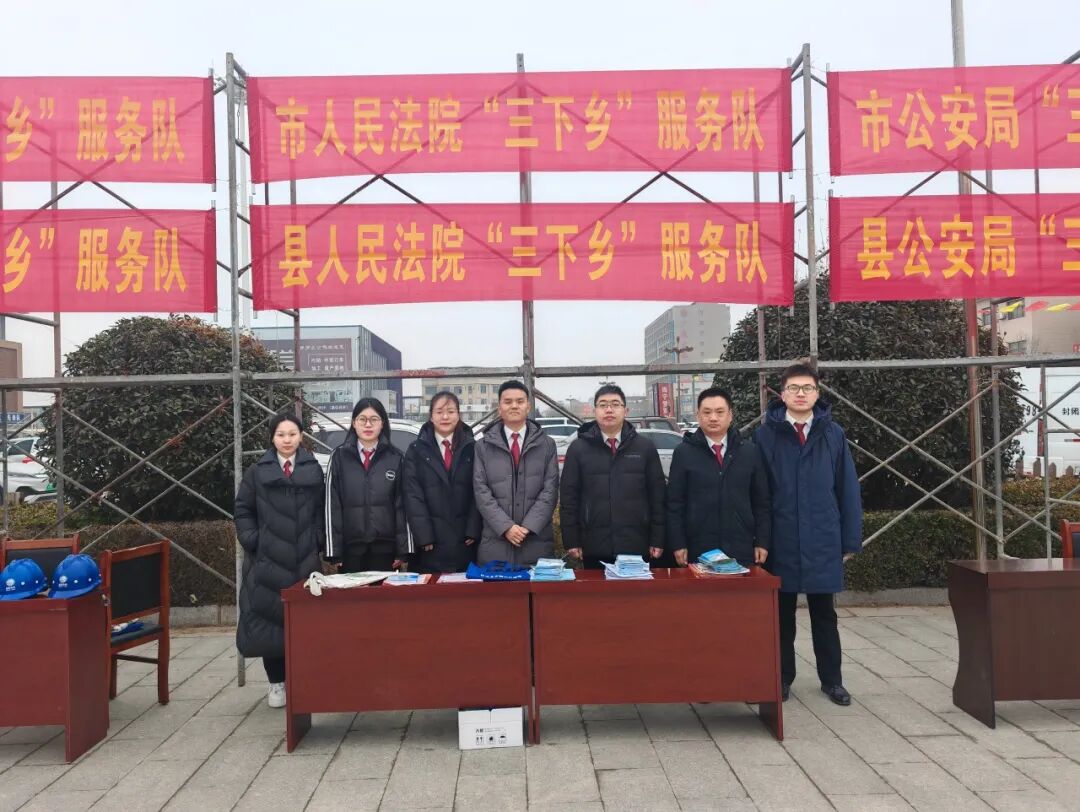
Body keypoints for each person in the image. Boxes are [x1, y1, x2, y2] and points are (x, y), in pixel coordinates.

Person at [755, 363, 863, 706]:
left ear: (817, 393)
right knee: (781, 615)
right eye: (793, 388)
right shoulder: (766, 435)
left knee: (824, 614)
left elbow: (847, 488)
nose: (800, 394)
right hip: (781, 537)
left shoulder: (833, 434)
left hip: (822, 536)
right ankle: (781, 678)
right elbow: (758, 493)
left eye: (807, 388)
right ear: (782, 393)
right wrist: (759, 540)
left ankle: (832, 681)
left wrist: (850, 538)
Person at [234, 412, 325, 709]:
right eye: (281, 435)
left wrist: (318, 540)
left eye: (292, 434)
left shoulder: (313, 469)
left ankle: (303, 681)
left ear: (301, 437)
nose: (287, 440)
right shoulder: (257, 472)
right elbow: (243, 510)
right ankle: (276, 684)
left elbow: (322, 510)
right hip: (267, 562)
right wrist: (253, 540)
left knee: (305, 625)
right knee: (269, 624)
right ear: (272, 438)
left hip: (304, 560)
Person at [559, 384, 665, 569]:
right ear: (594, 411)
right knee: (596, 589)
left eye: (615, 404)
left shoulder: (645, 447)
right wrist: (572, 540)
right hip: (594, 544)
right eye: (603, 405)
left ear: (625, 411)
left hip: (636, 542)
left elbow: (658, 496)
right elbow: (569, 498)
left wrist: (658, 538)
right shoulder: (578, 449)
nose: (609, 409)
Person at [667, 387, 771, 569]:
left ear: (730, 415)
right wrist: (678, 543)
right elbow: (675, 503)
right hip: (698, 546)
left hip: (741, 545)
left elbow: (761, 501)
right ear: (698, 415)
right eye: (707, 412)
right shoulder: (683, 453)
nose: (713, 418)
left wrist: (762, 541)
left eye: (720, 412)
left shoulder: (749, 452)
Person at [473, 380, 559, 567]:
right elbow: (481, 491)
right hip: (495, 544)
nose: (514, 406)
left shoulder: (547, 445)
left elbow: (550, 490)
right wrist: (506, 527)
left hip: (536, 542)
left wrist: (528, 527)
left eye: (520, 401)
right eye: (508, 401)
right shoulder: (483, 446)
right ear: (499, 408)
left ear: (528, 406)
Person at [324, 397, 409, 572]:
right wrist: (334, 552)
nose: (368, 425)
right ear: (354, 423)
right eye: (362, 419)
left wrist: (403, 550)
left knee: (384, 591)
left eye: (374, 419)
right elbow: (332, 506)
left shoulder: (396, 457)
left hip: (386, 549)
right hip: (350, 550)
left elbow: (402, 506)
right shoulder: (339, 456)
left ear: (382, 423)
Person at [403, 391, 482, 573]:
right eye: (439, 412)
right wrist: (424, 534)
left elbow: (480, 490)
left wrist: (473, 528)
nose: (445, 417)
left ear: (458, 415)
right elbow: (412, 495)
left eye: (451, 411)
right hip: (430, 543)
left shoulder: (473, 448)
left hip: (465, 540)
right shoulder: (416, 450)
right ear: (431, 416)